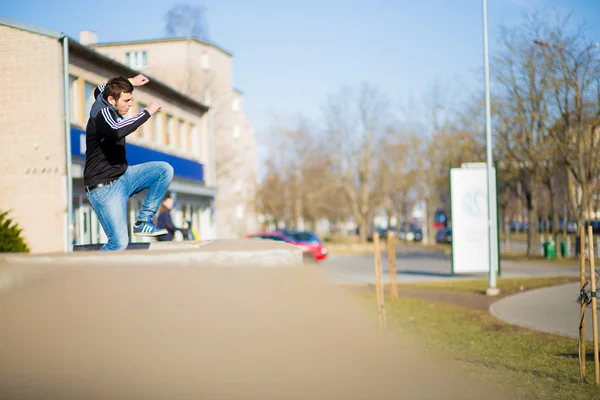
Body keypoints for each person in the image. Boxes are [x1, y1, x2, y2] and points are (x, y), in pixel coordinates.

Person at [83, 74, 173, 251]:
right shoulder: (101, 114)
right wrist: (147, 112)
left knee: (164, 170)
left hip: (124, 177)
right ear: (111, 100)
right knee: (118, 243)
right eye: (126, 100)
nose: (130, 104)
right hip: (104, 190)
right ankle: (91, 273)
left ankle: (143, 221)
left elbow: (99, 88)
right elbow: (118, 131)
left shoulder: (103, 97)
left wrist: (131, 82)